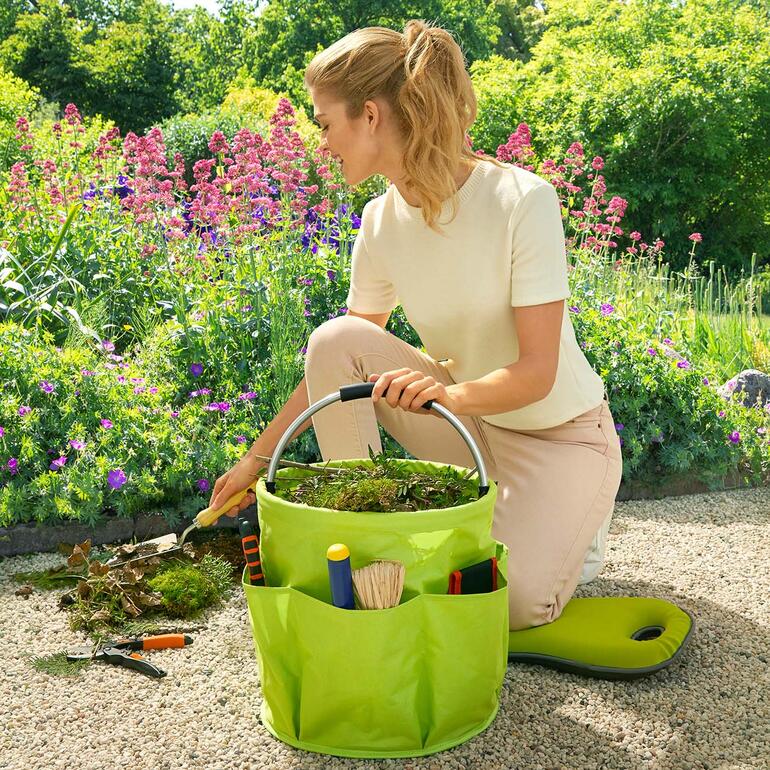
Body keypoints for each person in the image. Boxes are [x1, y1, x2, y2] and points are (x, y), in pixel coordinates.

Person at [208, 20, 623, 631]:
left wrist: (445, 396)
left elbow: (537, 374)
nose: (320, 143)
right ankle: (367, 531)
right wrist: (253, 461)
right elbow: (338, 369)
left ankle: (574, 529)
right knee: (336, 339)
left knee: (511, 604)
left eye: (325, 123)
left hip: (557, 436)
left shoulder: (520, 200)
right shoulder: (379, 222)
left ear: (370, 115)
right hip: (465, 426)